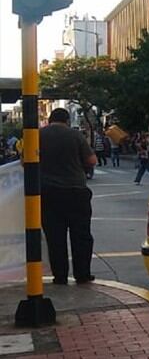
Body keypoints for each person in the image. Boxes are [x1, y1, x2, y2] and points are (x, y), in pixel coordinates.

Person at [39, 108, 97, 285]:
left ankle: (60, 276)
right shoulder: (75, 135)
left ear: (50, 119)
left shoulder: (37, 135)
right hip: (75, 192)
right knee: (81, 236)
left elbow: (24, 161)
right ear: (67, 120)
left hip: (48, 193)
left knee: (55, 238)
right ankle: (82, 274)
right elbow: (92, 160)